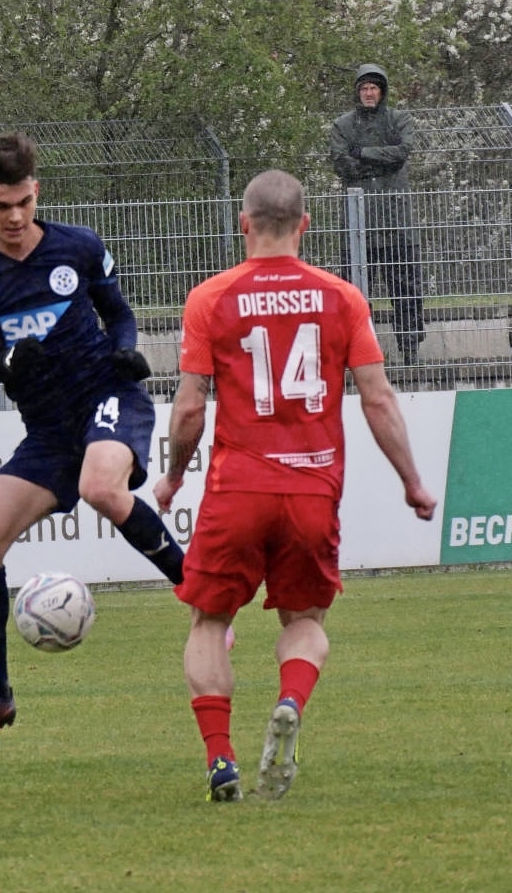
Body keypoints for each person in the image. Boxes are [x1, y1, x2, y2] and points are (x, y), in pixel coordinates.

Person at [153, 169, 436, 803]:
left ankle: (220, 758)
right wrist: (412, 481)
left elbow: (191, 407)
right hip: (312, 488)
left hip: (237, 490)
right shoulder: (342, 298)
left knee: (208, 621)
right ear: (305, 225)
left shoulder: (210, 299)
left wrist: (172, 476)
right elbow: (377, 397)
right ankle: (289, 701)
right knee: (305, 620)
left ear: (244, 224)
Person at [0, 132, 185, 739]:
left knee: (101, 487)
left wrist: (126, 351)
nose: (15, 217)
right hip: (48, 431)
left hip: (107, 397)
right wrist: (5, 365)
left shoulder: (79, 246)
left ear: (36, 192)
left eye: (24, 202)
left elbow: (119, 314)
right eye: (1, 206)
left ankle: (200, 591)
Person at [328, 62, 425, 366]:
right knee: (355, 296)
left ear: (382, 91)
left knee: (406, 290)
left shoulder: (399, 119)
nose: (369, 93)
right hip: (358, 223)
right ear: (357, 92)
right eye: (364, 88)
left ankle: (410, 349)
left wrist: (363, 153)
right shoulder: (342, 125)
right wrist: (381, 161)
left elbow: (402, 152)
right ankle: (359, 355)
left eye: (374, 88)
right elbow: (341, 162)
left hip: (396, 221)